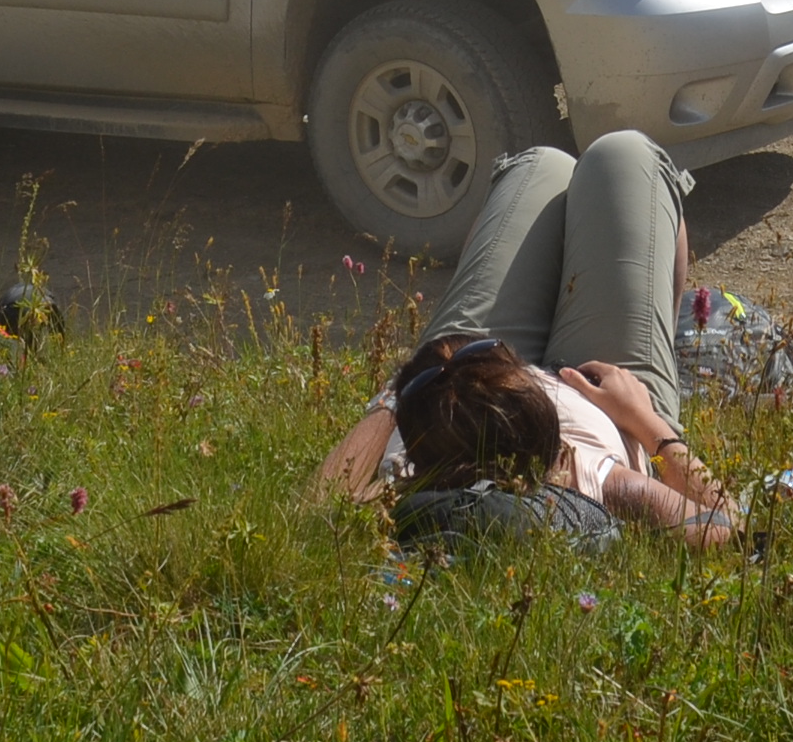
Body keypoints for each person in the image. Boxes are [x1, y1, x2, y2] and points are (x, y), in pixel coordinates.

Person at [315, 129, 740, 544]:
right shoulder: (584, 472)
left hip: (450, 390)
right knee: (625, 157)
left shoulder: (410, 470)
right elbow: (724, 528)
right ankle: (655, 352)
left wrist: (410, 387)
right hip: (609, 395)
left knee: (540, 166)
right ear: (552, 448)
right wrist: (650, 424)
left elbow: (319, 508)